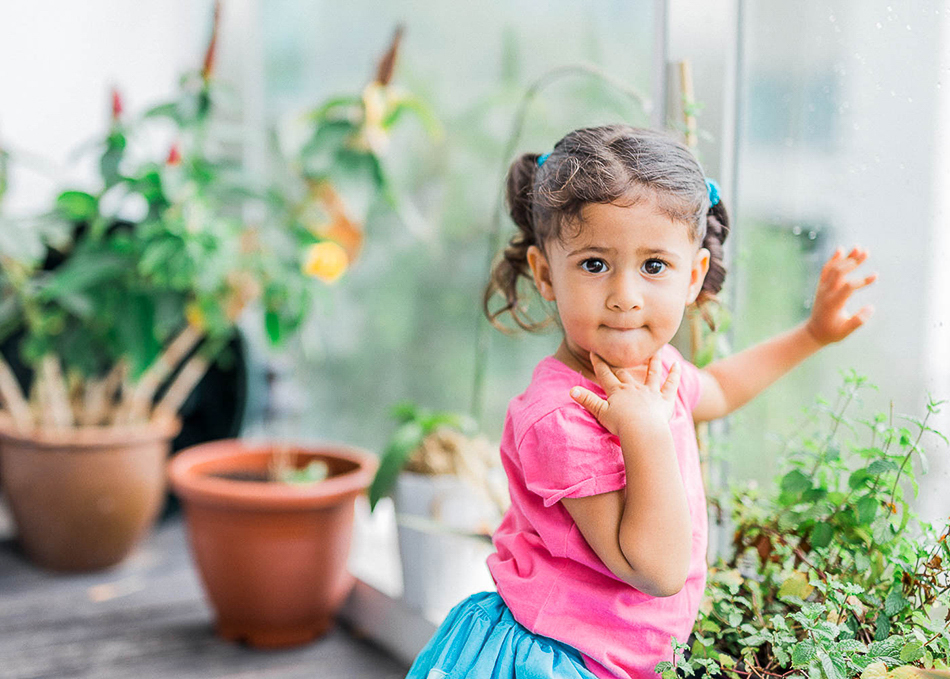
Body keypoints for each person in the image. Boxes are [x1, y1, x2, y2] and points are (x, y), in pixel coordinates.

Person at [405, 124, 876, 679]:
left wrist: (812, 334)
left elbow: (719, 390)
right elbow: (655, 569)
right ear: (545, 274)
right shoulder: (561, 417)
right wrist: (645, 431)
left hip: (616, 657)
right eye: (594, 264)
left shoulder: (653, 370)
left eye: (654, 266)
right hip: (555, 659)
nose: (625, 297)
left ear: (693, 276)